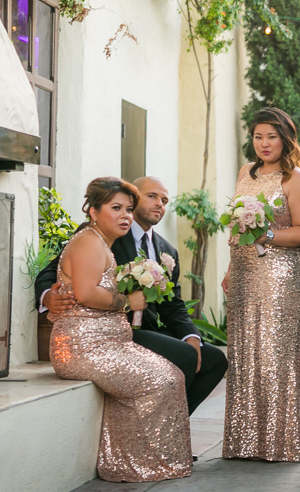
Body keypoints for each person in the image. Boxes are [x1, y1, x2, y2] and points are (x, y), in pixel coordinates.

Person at [37, 177, 227, 416]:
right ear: (135, 199)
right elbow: (54, 269)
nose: (159, 203)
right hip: (107, 333)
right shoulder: (101, 233)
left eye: (165, 200)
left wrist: (191, 335)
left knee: (213, 359)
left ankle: (170, 427)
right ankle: (159, 429)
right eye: (152, 196)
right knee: (184, 357)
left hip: (145, 329)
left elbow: (173, 305)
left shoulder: (167, 250)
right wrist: (47, 297)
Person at [49, 177, 191, 482]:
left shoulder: (103, 243)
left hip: (109, 343)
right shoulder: (88, 240)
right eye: (116, 208)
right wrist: (128, 302)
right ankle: (139, 462)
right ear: (94, 211)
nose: (126, 215)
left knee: (171, 375)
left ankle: (129, 458)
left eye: (128, 208)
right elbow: (86, 293)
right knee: (162, 380)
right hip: (84, 346)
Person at [222, 107, 300, 462]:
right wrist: (231, 267)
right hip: (244, 272)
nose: (264, 143)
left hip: (281, 275)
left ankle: (277, 443)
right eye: (258, 136)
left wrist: (268, 233)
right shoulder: (246, 172)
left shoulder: (296, 178)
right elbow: (236, 226)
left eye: (271, 137)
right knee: (244, 352)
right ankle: (243, 442)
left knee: (274, 355)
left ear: (285, 139)